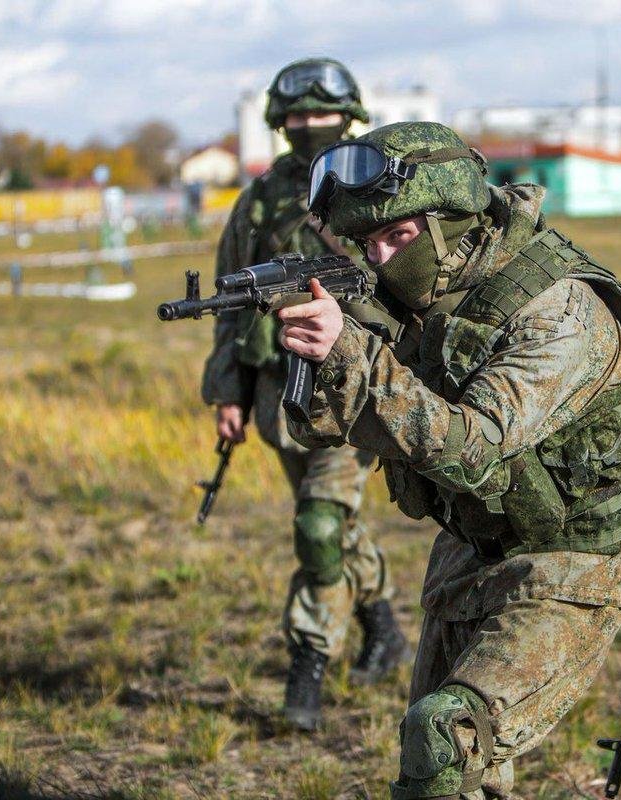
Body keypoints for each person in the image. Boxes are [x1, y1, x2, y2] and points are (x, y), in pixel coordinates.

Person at [276, 121, 621, 798]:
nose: (380, 260)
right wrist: (323, 365)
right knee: (454, 772)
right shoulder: (426, 297)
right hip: (471, 549)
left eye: (396, 236)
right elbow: (325, 430)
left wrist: (357, 356)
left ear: (450, 222)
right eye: (367, 244)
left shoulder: (559, 309)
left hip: (570, 561)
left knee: (444, 739)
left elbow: (473, 446)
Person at [200, 58, 407, 731]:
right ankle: (384, 626)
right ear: (279, 120)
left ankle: (308, 666)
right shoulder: (260, 201)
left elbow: (412, 280)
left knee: (318, 526)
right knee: (333, 524)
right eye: (297, 113)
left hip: (356, 389)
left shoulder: (378, 184)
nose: (310, 123)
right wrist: (229, 393)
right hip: (281, 398)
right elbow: (231, 308)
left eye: (323, 112)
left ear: (349, 117)